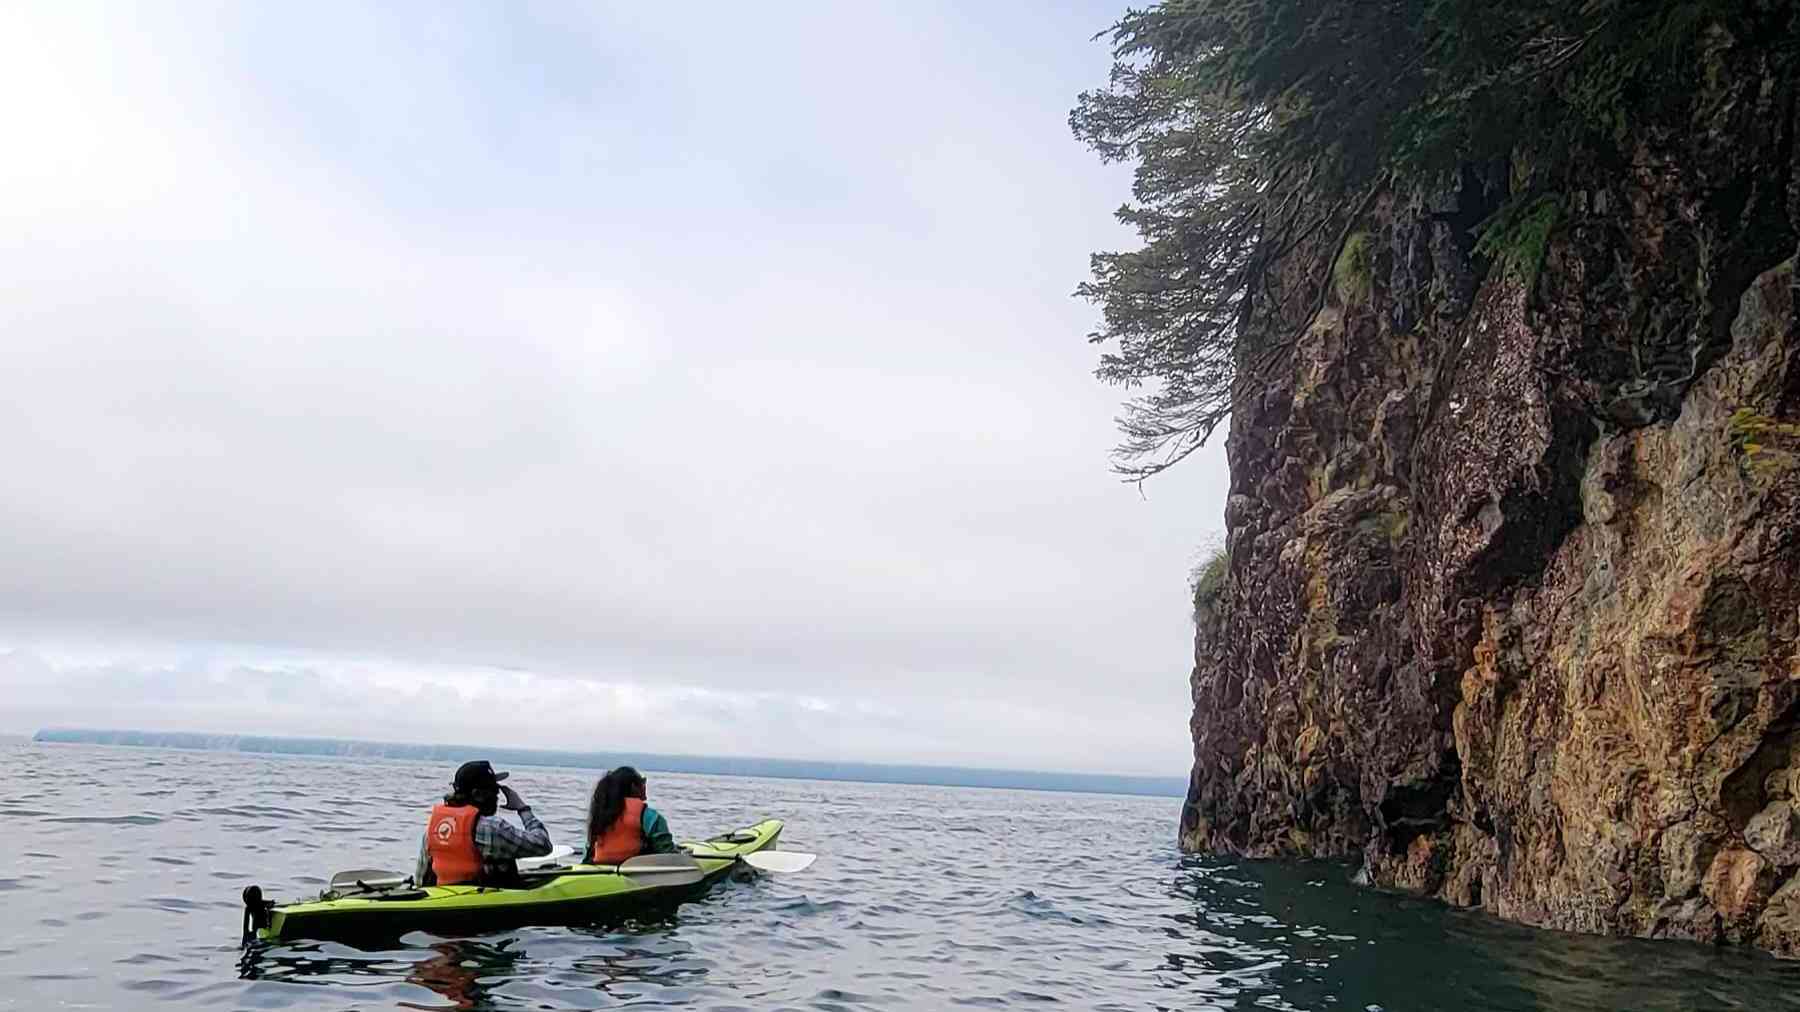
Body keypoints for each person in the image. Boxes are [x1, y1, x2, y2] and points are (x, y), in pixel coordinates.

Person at [414, 760, 553, 886]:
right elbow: (543, 845)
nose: (497, 797)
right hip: (488, 900)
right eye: (495, 791)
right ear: (478, 794)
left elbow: (420, 880)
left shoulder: (434, 830)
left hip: (445, 898)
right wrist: (523, 809)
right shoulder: (492, 828)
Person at [586, 766, 677, 863]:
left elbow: (589, 851)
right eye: (642, 782)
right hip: (635, 868)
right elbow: (668, 853)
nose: (644, 786)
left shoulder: (600, 813)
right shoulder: (649, 816)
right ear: (634, 787)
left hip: (600, 866)